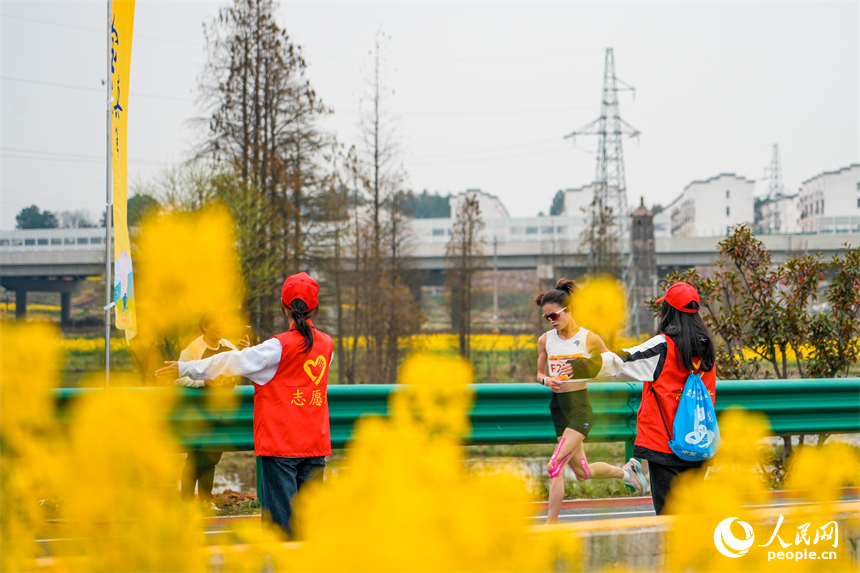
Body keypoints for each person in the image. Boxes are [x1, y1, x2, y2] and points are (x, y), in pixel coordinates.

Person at [157, 272, 333, 537]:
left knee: (280, 532)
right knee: (309, 528)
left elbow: (230, 361)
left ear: (283, 306)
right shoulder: (327, 345)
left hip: (280, 447)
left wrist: (184, 368)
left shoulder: (277, 347)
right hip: (316, 445)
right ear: (315, 308)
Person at [568, 281, 717, 515]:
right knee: (692, 515)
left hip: (666, 445)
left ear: (669, 312)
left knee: (669, 517)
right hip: (698, 441)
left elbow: (625, 360)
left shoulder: (664, 346)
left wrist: (586, 366)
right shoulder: (707, 348)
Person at [536, 278, 647, 525]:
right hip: (558, 408)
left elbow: (613, 366)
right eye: (547, 318)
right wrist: (547, 382)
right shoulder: (545, 340)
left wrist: (587, 369)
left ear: (569, 310)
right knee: (582, 473)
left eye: (555, 315)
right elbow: (539, 374)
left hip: (580, 409)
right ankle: (626, 472)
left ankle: (549, 528)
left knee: (554, 466)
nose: (552, 321)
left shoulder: (590, 339)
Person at [174, 316, 250, 503]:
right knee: (195, 455)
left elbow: (240, 369)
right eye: (216, 322)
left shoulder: (229, 347)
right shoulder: (191, 350)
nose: (221, 325)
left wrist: (246, 352)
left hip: (220, 411)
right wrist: (205, 382)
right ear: (204, 326)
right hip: (198, 411)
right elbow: (177, 379)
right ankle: (187, 501)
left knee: (212, 454)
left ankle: (206, 501)